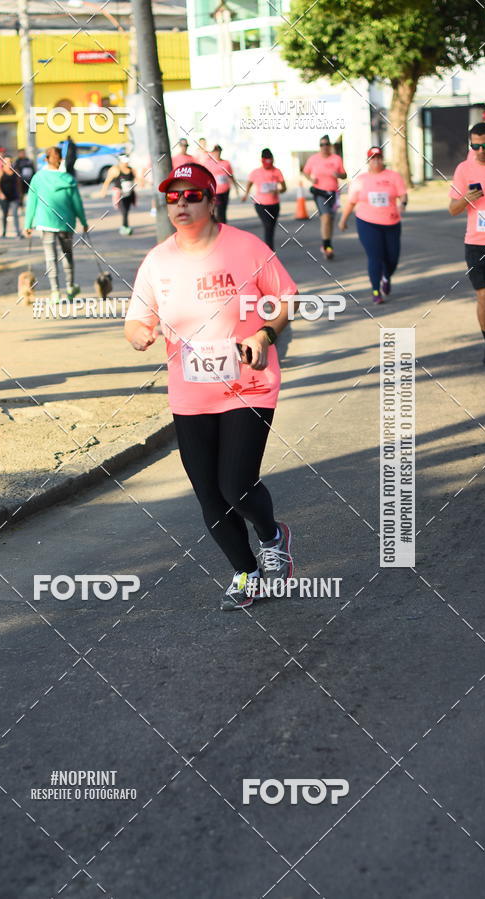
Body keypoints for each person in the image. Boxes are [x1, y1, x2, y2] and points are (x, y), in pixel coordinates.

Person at [124, 161, 299, 610]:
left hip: (250, 383)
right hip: (191, 393)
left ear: (212, 199)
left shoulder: (246, 247)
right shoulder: (158, 260)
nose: (181, 204)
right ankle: (246, 573)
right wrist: (139, 334)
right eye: (172, 197)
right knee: (208, 493)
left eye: (192, 195)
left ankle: (273, 536)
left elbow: (285, 298)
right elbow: (136, 319)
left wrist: (264, 334)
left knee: (236, 484)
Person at [338, 146, 407, 304]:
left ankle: (386, 276)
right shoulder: (360, 180)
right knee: (375, 256)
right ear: (368, 161)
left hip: (391, 222)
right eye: (372, 158)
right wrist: (343, 220)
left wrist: (403, 203)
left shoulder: (393, 176)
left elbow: (403, 194)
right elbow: (351, 202)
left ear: (382, 159)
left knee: (392, 258)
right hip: (367, 223)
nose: (376, 161)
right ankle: (376, 290)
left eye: (378, 157)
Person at [25, 145, 88, 302]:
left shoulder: (38, 178)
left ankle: (55, 292)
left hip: (46, 223)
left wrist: (28, 224)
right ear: (60, 160)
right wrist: (83, 221)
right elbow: (77, 203)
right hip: (66, 223)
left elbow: (31, 202)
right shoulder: (68, 179)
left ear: (46, 159)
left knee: (50, 257)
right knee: (67, 255)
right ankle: (70, 287)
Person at [449, 121, 485, 365]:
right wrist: (465, 199)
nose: (482, 151)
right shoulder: (464, 169)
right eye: (476, 146)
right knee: (484, 297)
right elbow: (453, 209)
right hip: (476, 243)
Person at [302, 135, 347, 259]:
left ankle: (327, 244)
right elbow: (305, 172)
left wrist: (338, 174)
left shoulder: (336, 159)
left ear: (330, 146)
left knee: (330, 220)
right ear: (319, 146)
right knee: (325, 218)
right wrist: (311, 178)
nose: (324, 147)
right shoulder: (313, 159)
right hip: (319, 192)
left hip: (333, 193)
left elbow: (344, 175)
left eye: (326, 144)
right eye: (322, 145)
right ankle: (327, 247)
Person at [242, 149, 286, 250]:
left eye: (270, 160)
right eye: (266, 161)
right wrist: (245, 195)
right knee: (268, 225)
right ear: (262, 160)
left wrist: (278, 191)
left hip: (274, 204)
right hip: (261, 204)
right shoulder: (256, 172)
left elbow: (284, 188)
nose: (268, 163)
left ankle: (269, 248)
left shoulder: (277, 171)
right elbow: (249, 183)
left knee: (271, 227)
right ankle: (269, 251)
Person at [100, 154, 137, 235]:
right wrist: (104, 191)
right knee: (124, 211)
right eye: (124, 162)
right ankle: (125, 227)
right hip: (119, 195)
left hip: (129, 194)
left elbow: (136, 179)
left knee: (127, 210)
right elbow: (107, 181)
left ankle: (125, 226)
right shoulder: (115, 170)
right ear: (120, 161)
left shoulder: (131, 169)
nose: (126, 164)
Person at [207, 144, 239, 224]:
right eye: (215, 152)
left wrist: (236, 187)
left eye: (219, 152)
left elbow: (230, 175)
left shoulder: (226, 163)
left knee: (223, 209)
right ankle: (216, 226)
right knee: (217, 209)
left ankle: (223, 226)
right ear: (213, 153)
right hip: (215, 191)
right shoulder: (208, 163)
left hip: (225, 190)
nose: (217, 154)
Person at [0, 156, 22, 238]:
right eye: (6, 162)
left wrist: (20, 195)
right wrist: (0, 194)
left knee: (15, 214)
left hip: (14, 196)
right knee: (5, 214)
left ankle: (17, 232)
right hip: (4, 197)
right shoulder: (0, 172)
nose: (8, 163)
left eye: (10, 162)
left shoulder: (15, 172)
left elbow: (19, 184)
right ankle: (4, 232)